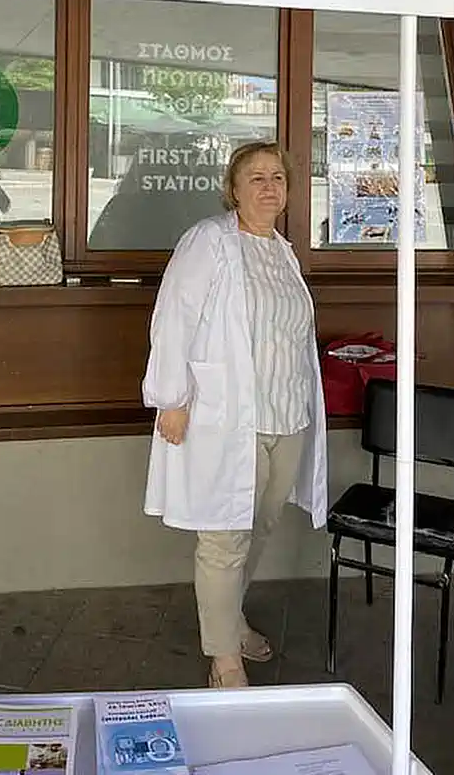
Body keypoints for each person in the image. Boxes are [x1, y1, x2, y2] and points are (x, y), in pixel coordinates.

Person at [141, 140, 328, 689]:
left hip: (286, 417)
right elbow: (173, 318)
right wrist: (172, 398)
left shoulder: (283, 252)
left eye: (278, 178)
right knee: (224, 538)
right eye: (257, 178)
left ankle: (232, 620)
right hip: (227, 420)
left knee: (259, 529)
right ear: (234, 189)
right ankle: (224, 659)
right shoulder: (210, 241)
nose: (270, 187)